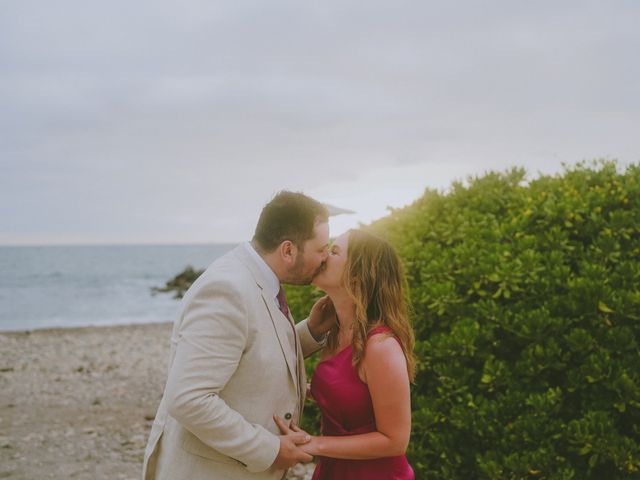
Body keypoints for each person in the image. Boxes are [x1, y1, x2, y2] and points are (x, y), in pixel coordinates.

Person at [143, 191, 338, 480]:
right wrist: (270, 449)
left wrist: (309, 332)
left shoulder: (258, 277)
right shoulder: (228, 288)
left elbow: (252, 349)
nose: (325, 257)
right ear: (288, 250)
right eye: (321, 248)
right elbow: (188, 399)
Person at [275, 229, 416, 479]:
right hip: (333, 471)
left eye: (334, 251)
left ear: (356, 276)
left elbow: (395, 440)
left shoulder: (381, 346)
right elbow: (344, 397)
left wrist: (313, 444)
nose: (324, 255)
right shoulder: (334, 333)